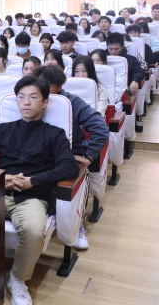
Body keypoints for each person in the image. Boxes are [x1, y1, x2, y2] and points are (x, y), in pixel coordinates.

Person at [0, 76, 80, 305]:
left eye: (33, 97)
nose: (26, 102)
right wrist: (0, 177)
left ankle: (18, 279)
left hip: (32, 197)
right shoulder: (2, 130)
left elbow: (69, 166)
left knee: (32, 230)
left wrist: (35, 181)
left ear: (45, 102)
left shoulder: (55, 134)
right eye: (21, 97)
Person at [35, 65, 109, 251]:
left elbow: (100, 127)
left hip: (70, 153)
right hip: (40, 153)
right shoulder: (34, 99)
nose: (42, 89)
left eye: (47, 86)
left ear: (59, 86)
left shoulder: (72, 102)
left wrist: (90, 155)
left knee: (71, 178)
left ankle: (78, 224)